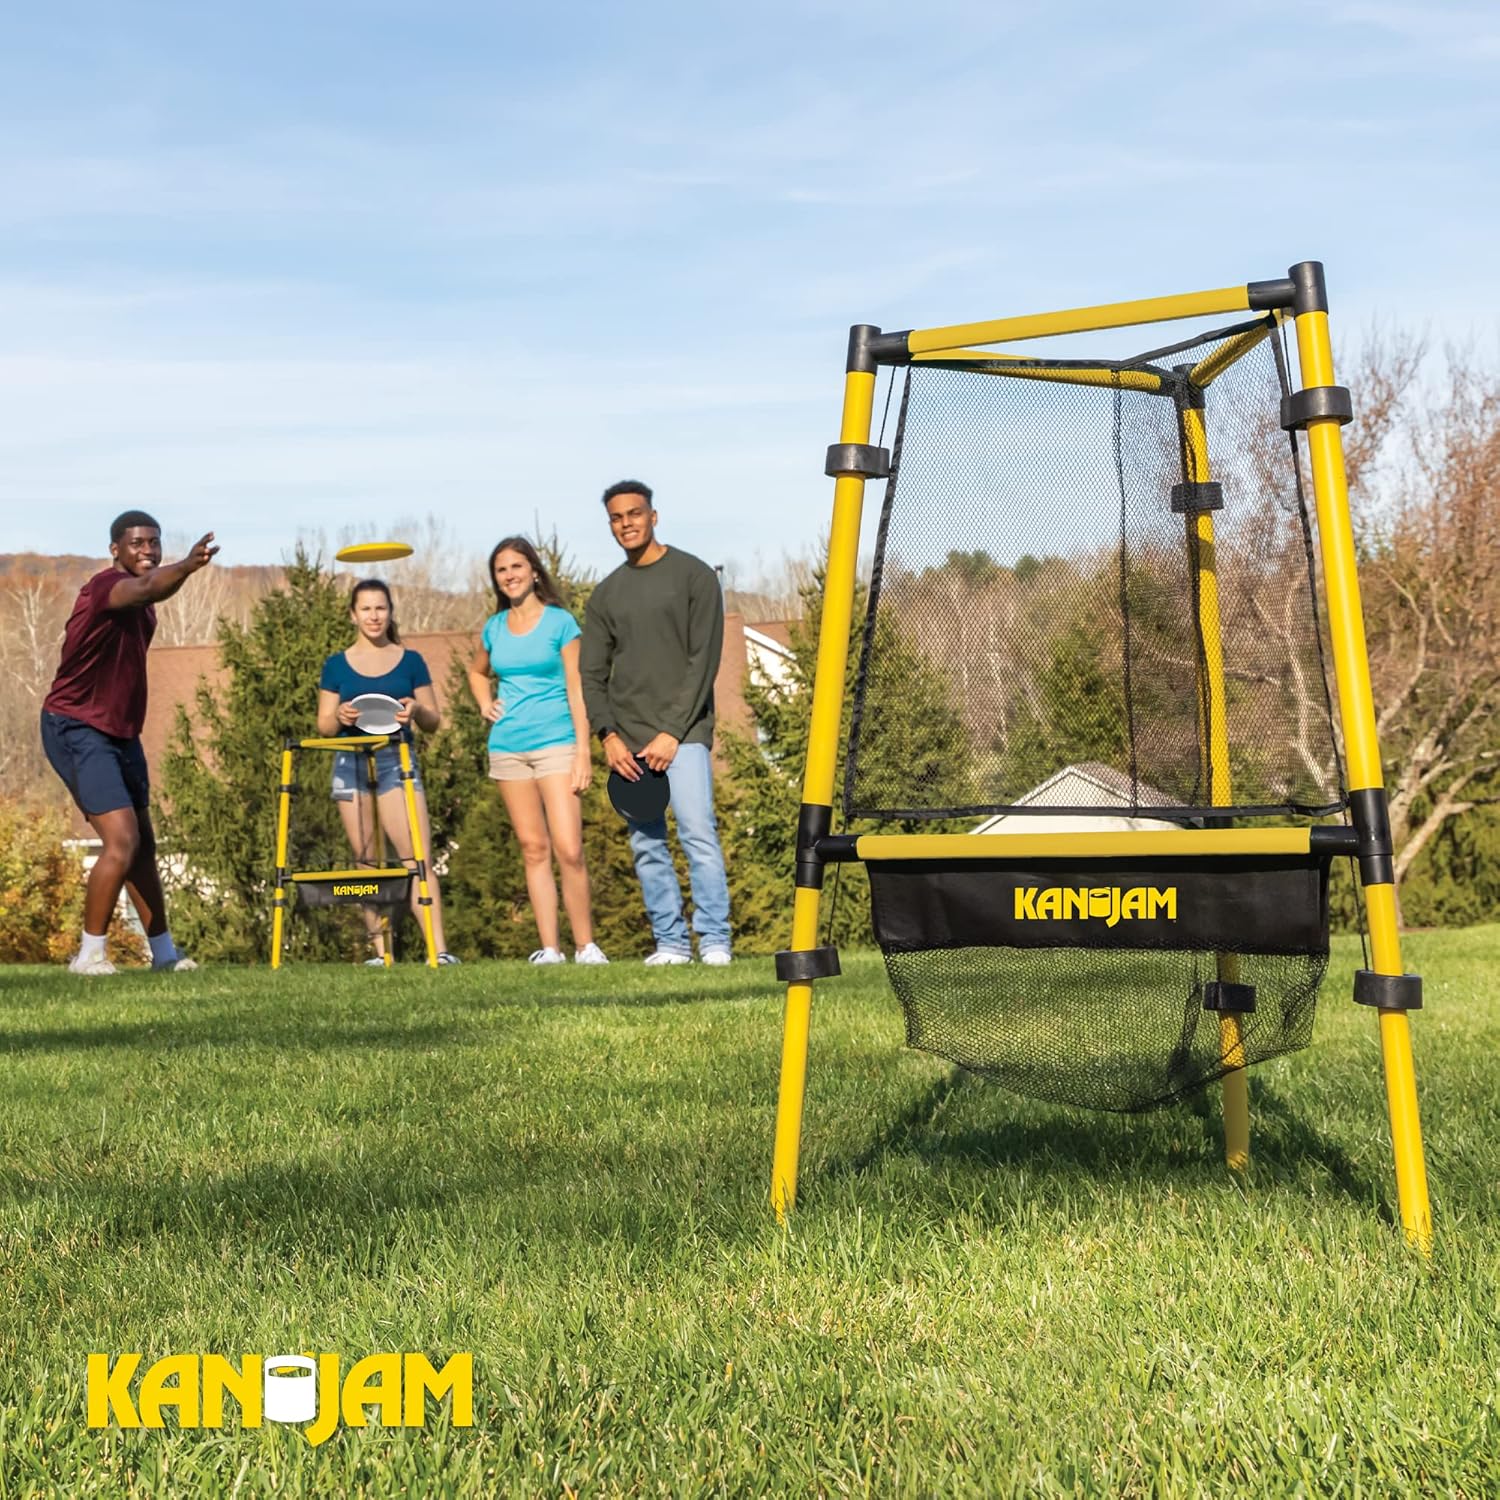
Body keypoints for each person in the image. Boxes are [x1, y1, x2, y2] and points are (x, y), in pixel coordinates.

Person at [40, 512, 217, 975]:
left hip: (121, 733)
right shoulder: (106, 588)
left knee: (144, 846)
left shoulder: (146, 603)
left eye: (154, 543)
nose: (148, 550)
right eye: (137, 543)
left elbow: (152, 590)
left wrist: (176, 571)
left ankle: (164, 955)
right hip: (75, 726)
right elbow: (148, 587)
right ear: (114, 550)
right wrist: (188, 565)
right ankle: (89, 956)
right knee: (121, 840)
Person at [580, 480, 732, 965]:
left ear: (653, 516)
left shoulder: (694, 577)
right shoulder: (606, 595)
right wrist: (608, 735)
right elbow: (591, 674)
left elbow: (703, 662)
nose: (626, 523)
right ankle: (671, 944)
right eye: (616, 517)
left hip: (684, 735)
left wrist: (671, 733)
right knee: (647, 846)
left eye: (634, 513)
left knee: (698, 836)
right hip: (628, 742)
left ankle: (714, 941)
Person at [467, 537, 607, 965]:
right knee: (533, 849)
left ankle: (585, 947)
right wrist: (485, 703)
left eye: (516, 566)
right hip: (508, 748)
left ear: (533, 571)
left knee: (569, 848)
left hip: (557, 745)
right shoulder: (494, 628)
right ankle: (550, 949)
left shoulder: (560, 623)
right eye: (501, 570)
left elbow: (577, 688)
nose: (509, 575)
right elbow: (477, 672)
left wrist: (583, 752)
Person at [316, 578, 459, 965]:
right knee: (366, 862)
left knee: (417, 859)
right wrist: (340, 715)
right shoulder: (336, 664)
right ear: (353, 614)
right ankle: (382, 954)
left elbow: (433, 721)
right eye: (366, 608)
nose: (374, 616)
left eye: (380, 608)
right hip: (350, 763)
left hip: (398, 763)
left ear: (391, 612)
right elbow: (324, 725)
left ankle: (439, 951)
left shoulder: (411, 661)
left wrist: (416, 710)